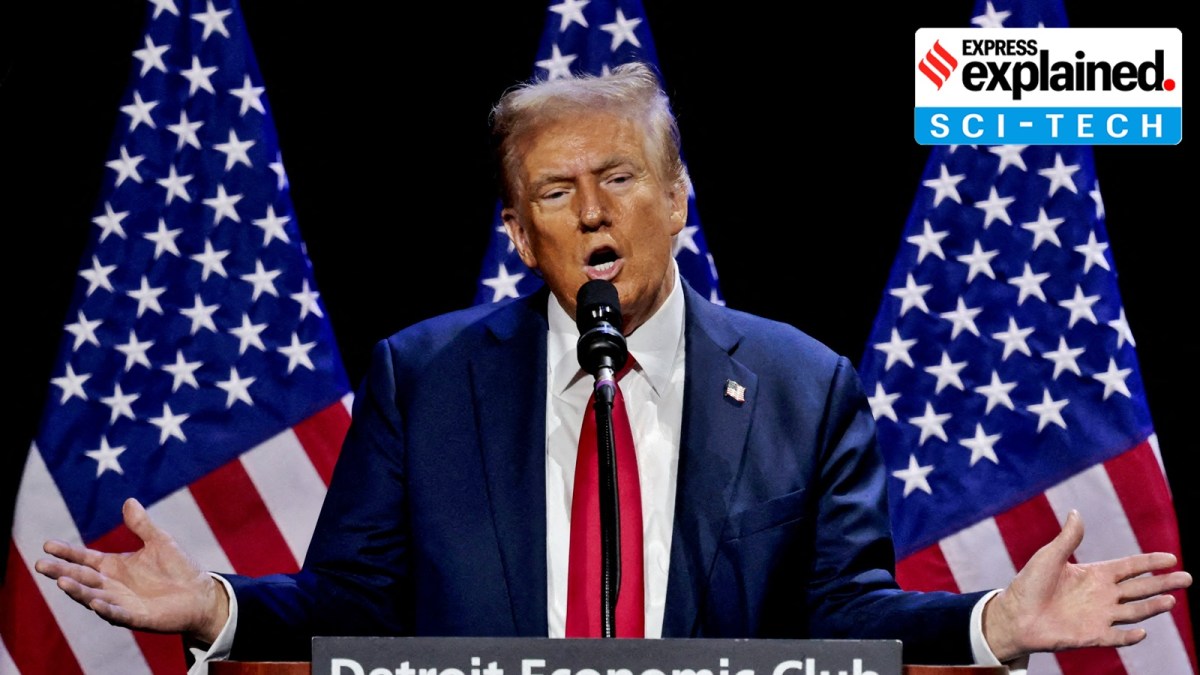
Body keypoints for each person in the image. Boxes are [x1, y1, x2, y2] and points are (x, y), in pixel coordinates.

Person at [36, 63, 1191, 672]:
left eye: (621, 178)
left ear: (680, 198)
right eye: (555, 192)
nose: (591, 213)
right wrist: (216, 608)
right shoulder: (423, 379)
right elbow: (354, 608)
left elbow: (846, 616)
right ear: (519, 233)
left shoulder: (803, 387)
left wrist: (994, 621)